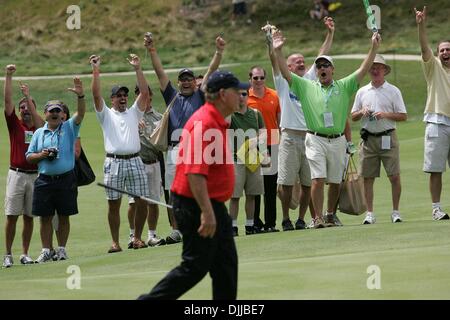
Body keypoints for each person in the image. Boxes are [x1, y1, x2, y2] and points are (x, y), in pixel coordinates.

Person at [138, 70, 248, 300]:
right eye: (236, 91)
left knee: (226, 266)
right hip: (196, 205)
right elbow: (195, 174)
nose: (241, 95)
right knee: (195, 266)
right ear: (222, 94)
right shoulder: (204, 123)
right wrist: (207, 213)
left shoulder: (216, 119)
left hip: (211, 203)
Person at [273, 28, 381, 227]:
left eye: (326, 65)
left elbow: (363, 69)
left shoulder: (343, 85)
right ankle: (317, 218)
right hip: (315, 138)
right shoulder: (307, 86)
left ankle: (330, 214)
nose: (322, 68)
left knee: (335, 181)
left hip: (338, 139)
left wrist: (373, 48)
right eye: (319, 66)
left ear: (332, 69)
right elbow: (286, 74)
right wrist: (278, 51)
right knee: (318, 178)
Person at [145, 33, 225, 244]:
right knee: (174, 191)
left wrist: (218, 51)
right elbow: (159, 72)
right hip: (174, 149)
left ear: (194, 83)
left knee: (200, 189)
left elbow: (211, 71)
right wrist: (152, 50)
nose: (186, 82)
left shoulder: (201, 95)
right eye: (183, 80)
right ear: (179, 82)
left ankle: (202, 224)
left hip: (197, 149)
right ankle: (177, 229)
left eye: (190, 79)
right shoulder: (172, 95)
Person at [264, 17, 337, 231]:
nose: (301, 63)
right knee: (286, 183)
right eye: (296, 61)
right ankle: (286, 218)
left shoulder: (310, 80)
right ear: (288, 66)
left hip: (310, 138)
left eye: (303, 61)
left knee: (308, 183)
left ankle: (302, 218)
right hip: (289, 137)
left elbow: (322, 54)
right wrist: (273, 44)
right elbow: (273, 61)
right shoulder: (282, 81)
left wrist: (330, 33)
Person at [90, 52, 151, 253]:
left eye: (125, 95)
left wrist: (138, 68)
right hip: (114, 162)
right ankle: (115, 242)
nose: (123, 98)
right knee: (114, 203)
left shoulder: (134, 111)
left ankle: (138, 238)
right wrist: (96, 70)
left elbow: (144, 93)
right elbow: (96, 95)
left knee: (142, 201)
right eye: (119, 96)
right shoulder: (106, 114)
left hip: (135, 160)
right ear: (113, 99)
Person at [26, 77, 85, 263]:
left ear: (62, 115)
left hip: (65, 179)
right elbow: (29, 156)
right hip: (44, 179)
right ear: (45, 114)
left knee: (64, 215)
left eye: (58, 111)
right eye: (51, 111)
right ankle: (46, 250)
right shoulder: (38, 133)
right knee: (45, 217)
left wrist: (81, 95)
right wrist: (42, 155)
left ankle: (61, 249)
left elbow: (81, 114)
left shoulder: (68, 128)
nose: (54, 114)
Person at [351, 54, 407, 224]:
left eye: (378, 67)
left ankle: (395, 212)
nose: (375, 70)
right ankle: (370, 213)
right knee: (367, 177)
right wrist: (362, 112)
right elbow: (353, 116)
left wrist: (385, 115)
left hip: (388, 137)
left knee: (394, 176)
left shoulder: (393, 90)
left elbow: (403, 115)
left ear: (384, 70)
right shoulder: (362, 91)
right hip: (368, 139)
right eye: (372, 67)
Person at [2, 65, 44, 267]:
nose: (25, 109)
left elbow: (40, 122)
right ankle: (8, 254)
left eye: (28, 106)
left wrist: (29, 97)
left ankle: (25, 253)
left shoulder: (39, 128)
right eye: (22, 108)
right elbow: (8, 101)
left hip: (35, 176)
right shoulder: (15, 125)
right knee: (12, 216)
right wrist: (8, 76)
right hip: (17, 174)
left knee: (29, 216)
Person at [415, 6, 450, 221]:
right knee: (435, 169)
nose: (445, 52)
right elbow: (424, 47)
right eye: (443, 50)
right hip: (437, 122)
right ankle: (436, 209)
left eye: (449, 49)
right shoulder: (433, 66)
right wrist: (421, 25)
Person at [127, 85, 166, 248]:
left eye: (146, 95)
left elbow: (161, 143)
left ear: (150, 96)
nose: (143, 98)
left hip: (154, 162)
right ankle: (132, 235)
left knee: (153, 201)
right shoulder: (130, 116)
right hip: (136, 163)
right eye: (140, 95)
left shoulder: (159, 117)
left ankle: (151, 235)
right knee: (134, 202)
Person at [247, 66, 281, 233]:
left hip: (272, 142)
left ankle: (270, 223)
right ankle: (255, 222)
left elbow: (279, 120)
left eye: (261, 78)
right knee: (254, 185)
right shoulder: (245, 97)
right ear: (250, 79)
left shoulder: (274, 95)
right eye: (255, 78)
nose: (258, 81)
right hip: (252, 145)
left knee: (269, 186)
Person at [228, 89, 265, 236]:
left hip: (253, 158)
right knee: (235, 196)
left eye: (244, 94)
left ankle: (250, 225)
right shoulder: (230, 115)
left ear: (248, 96)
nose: (241, 97)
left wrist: (256, 140)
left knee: (252, 194)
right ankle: (233, 226)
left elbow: (263, 132)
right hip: (236, 159)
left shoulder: (255, 114)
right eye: (238, 94)